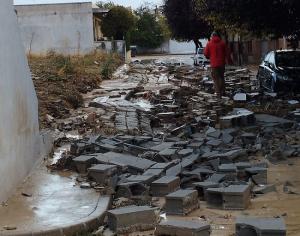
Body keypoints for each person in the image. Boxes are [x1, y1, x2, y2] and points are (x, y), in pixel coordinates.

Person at [204, 32, 226, 98]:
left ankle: (218, 94)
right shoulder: (222, 43)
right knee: (221, 77)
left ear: (212, 36)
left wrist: (209, 57)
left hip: (214, 64)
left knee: (215, 79)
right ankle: (223, 91)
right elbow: (226, 52)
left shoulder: (209, 43)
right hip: (222, 63)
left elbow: (206, 53)